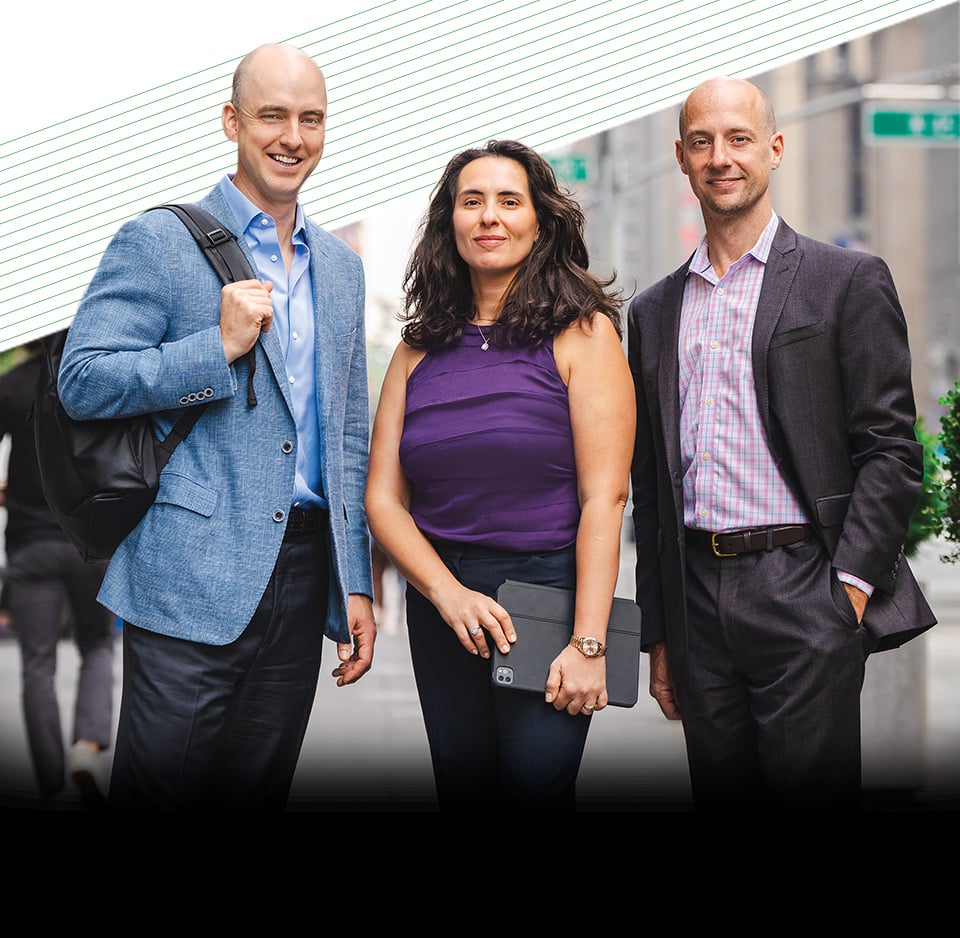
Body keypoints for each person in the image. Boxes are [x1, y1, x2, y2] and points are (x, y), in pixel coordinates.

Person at [58, 43, 377, 810]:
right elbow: (82, 379)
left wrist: (356, 580)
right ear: (233, 121)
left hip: (302, 578)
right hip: (188, 572)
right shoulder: (160, 242)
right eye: (273, 115)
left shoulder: (340, 266)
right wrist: (216, 347)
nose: (292, 137)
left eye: (311, 119)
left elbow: (348, 435)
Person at [628, 76, 937, 811]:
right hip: (698, 595)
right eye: (701, 141)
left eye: (738, 139)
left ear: (774, 148)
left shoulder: (846, 282)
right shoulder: (652, 310)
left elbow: (891, 450)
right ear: (680, 157)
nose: (720, 156)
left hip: (806, 586)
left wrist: (850, 591)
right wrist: (661, 630)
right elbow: (652, 485)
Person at [365, 139, 635, 811]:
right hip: (443, 606)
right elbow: (383, 498)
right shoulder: (415, 349)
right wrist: (446, 593)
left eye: (509, 201)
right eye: (472, 201)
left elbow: (607, 496)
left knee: (536, 790)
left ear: (540, 221)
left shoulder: (584, 334)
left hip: (546, 596)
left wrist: (589, 641)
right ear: (449, 223)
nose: (489, 217)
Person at [0, 340, 117, 807]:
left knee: (38, 664)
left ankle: (50, 781)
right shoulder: (98, 377)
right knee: (96, 646)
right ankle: (86, 750)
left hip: (30, 544)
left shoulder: (10, 385)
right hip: (91, 542)